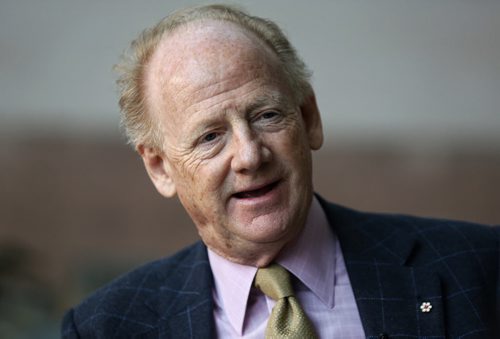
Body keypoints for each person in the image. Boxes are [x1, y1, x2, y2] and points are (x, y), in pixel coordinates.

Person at [62, 4, 499, 338]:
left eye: (267, 115)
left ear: (309, 117)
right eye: (210, 136)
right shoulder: (106, 327)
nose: (250, 155)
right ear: (160, 168)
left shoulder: (477, 269)